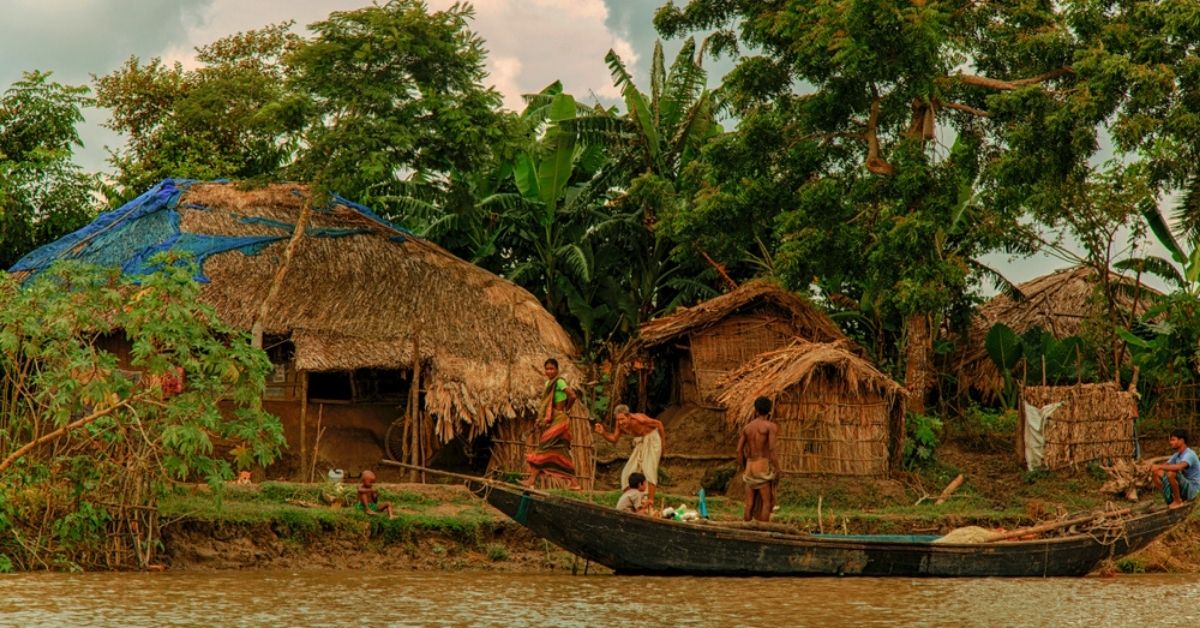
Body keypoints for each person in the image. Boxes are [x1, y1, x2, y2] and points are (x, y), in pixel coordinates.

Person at [522, 358, 582, 490]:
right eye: (547, 369)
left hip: (559, 419)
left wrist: (566, 409)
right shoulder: (548, 383)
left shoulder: (559, 382)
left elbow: (572, 395)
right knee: (561, 450)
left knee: (543, 447)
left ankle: (531, 480)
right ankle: (574, 483)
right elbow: (547, 405)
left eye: (552, 368)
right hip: (553, 419)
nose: (549, 371)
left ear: (557, 369)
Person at [595, 404, 665, 506]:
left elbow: (659, 424)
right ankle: (633, 500)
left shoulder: (640, 419)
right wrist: (603, 433)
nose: (620, 422)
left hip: (652, 440)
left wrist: (663, 446)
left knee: (649, 470)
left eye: (622, 419)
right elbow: (614, 439)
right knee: (627, 473)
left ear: (628, 416)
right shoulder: (619, 423)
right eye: (618, 420)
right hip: (640, 443)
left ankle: (650, 501)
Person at [736, 396, 779, 522]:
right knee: (767, 502)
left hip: (749, 465)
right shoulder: (770, 426)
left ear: (756, 410)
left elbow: (738, 450)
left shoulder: (747, 428)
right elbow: (771, 449)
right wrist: (777, 468)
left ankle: (746, 529)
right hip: (762, 465)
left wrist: (743, 467)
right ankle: (763, 532)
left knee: (749, 503)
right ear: (769, 411)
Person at [1151, 428, 1200, 510]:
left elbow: (1179, 467)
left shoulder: (1189, 454)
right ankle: (1170, 500)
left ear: (1181, 440)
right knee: (1157, 473)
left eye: (1173, 440)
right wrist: (1153, 468)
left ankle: (1178, 501)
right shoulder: (1177, 455)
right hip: (1185, 486)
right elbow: (1165, 465)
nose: (1171, 443)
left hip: (1194, 489)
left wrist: (1159, 466)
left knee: (1171, 473)